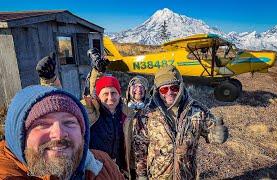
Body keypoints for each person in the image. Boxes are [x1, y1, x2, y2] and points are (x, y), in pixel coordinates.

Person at [36, 50, 131, 178]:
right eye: (105, 94)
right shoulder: (89, 109)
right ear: (98, 96)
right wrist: (50, 81)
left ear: (120, 94)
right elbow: (61, 105)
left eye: (114, 93)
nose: (110, 98)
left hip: (120, 170)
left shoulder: (127, 113)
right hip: (95, 169)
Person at [0, 85, 124, 179]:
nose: (59, 134)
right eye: (43, 124)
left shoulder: (102, 165)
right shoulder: (6, 174)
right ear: (18, 134)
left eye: (69, 123)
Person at [133, 65, 229, 179]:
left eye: (174, 88)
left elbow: (211, 132)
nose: (169, 93)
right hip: (157, 177)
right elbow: (139, 149)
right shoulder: (146, 115)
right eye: (164, 89)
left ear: (181, 87)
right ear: (157, 91)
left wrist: (218, 134)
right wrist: (142, 175)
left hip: (187, 176)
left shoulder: (198, 111)